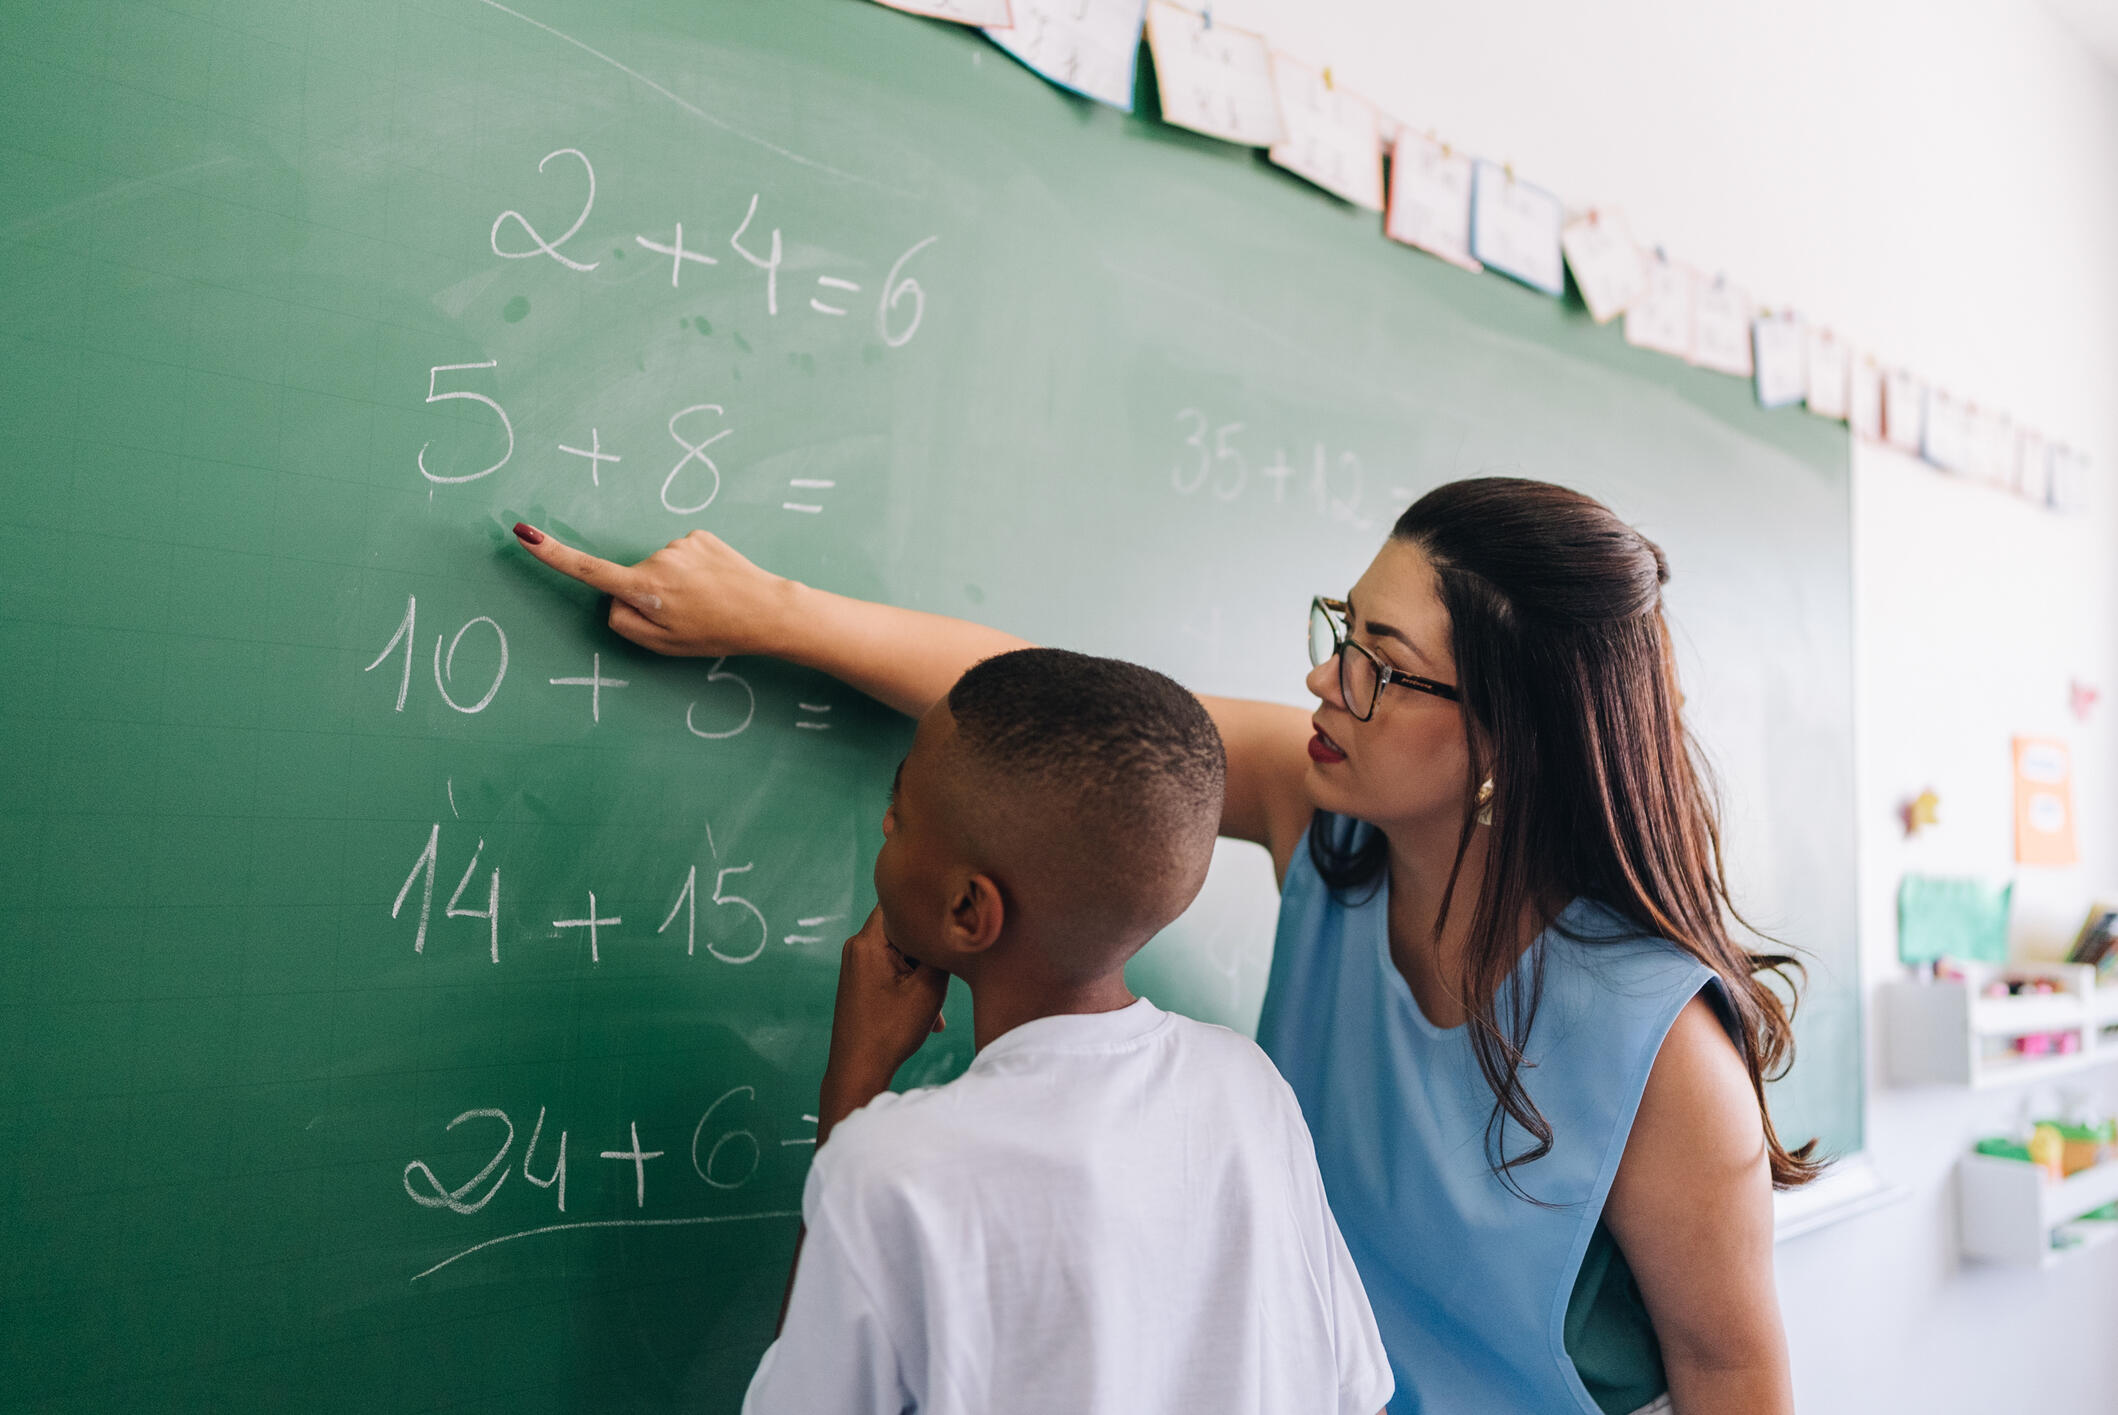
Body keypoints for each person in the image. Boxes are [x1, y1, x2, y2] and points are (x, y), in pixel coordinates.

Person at [510, 475, 1818, 1415]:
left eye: (1379, 662)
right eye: (1337, 630)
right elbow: (1069, 723)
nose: (1322, 682)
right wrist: (771, 611)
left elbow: (1730, 1382)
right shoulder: (1334, 828)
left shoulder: (1656, 1047)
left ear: (1508, 739)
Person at [739, 647, 1393, 1415]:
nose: (884, 821)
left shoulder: (891, 1170)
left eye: (901, 813)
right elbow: (1358, 1399)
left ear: (967, 913)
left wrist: (855, 1080)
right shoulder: (1249, 1087)